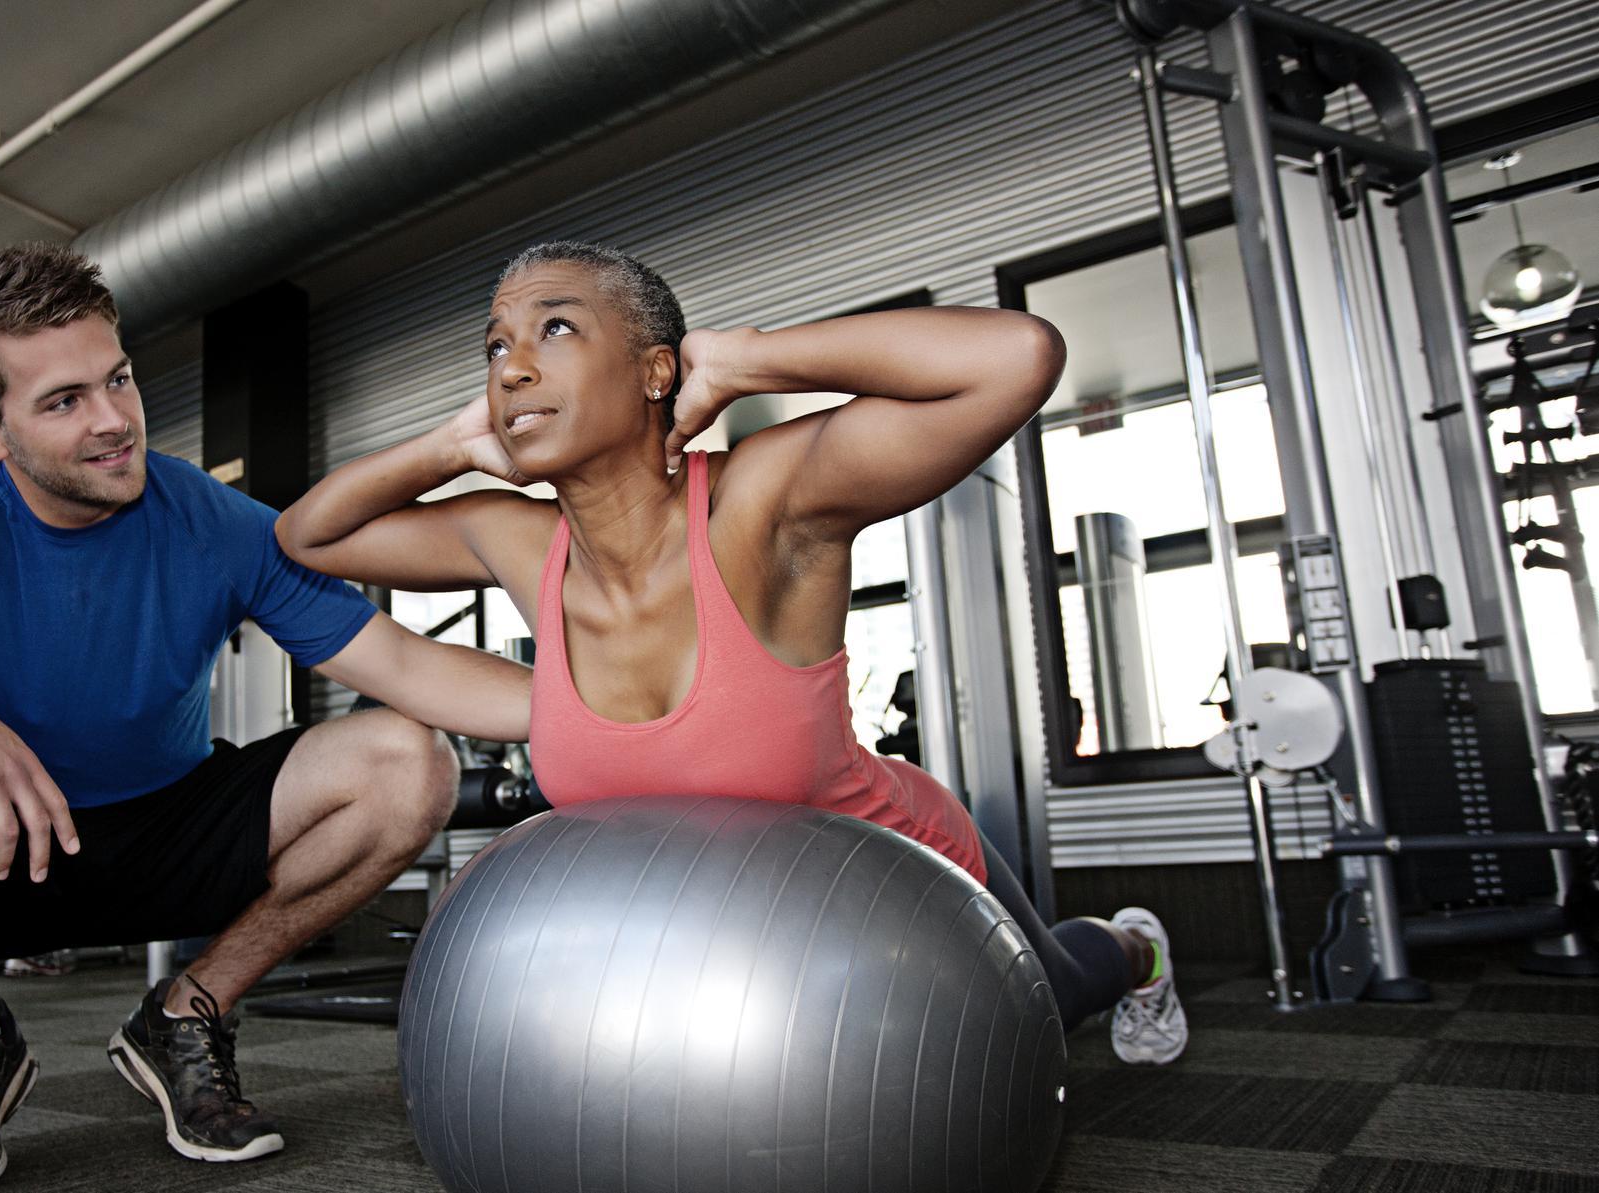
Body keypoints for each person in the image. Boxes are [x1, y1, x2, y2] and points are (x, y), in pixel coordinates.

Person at [0, 243, 534, 1193]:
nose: (116, 421)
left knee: (409, 759)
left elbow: (402, 664)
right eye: (63, 400)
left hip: (174, 826)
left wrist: (626, 709)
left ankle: (187, 1013)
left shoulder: (214, 519)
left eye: (117, 378)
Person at [276, 240, 1187, 1067]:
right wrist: (450, 445)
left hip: (894, 879)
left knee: (1051, 1000)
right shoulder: (512, 539)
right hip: (721, 932)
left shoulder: (765, 501)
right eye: (494, 347)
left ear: (654, 370)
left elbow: (1016, 357)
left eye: (554, 328)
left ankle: (1134, 948)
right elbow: (309, 536)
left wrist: (748, 359)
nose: (512, 367)